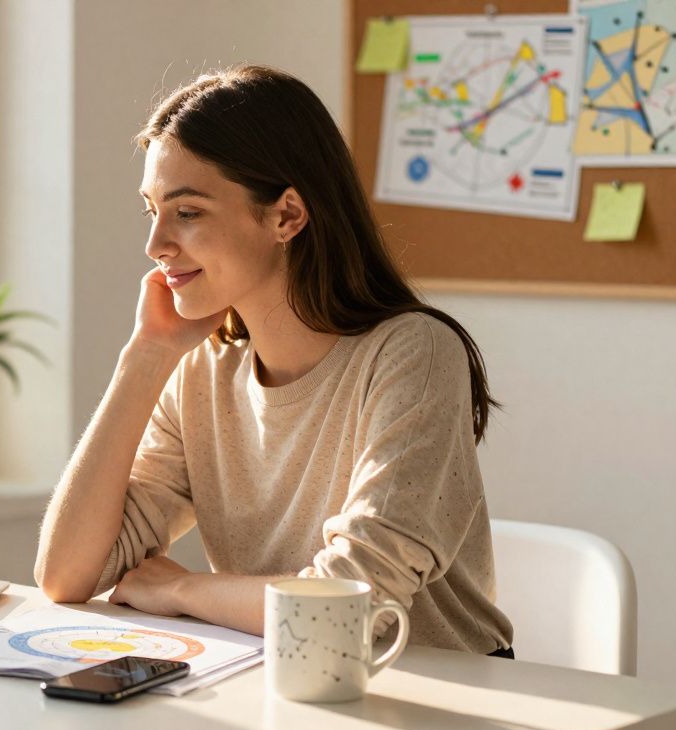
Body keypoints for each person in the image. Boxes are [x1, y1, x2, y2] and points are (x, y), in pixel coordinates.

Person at [34, 66, 514, 657]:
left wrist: (184, 587)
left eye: (187, 212)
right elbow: (66, 576)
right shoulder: (202, 370)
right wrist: (146, 356)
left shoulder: (412, 351)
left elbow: (350, 604)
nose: (155, 244)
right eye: (150, 211)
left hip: (445, 697)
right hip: (285, 682)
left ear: (286, 215)